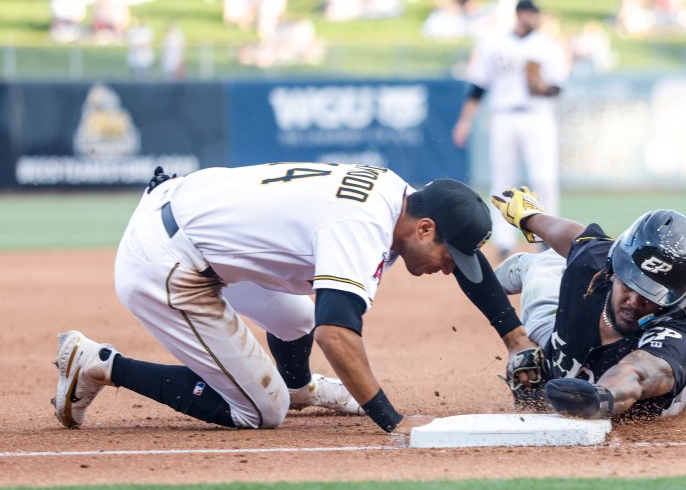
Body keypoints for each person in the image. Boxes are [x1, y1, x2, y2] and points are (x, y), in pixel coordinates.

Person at [52, 163, 537, 435]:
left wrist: (515, 338)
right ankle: (98, 364)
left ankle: (299, 384)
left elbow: (470, 268)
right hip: (165, 262)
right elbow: (336, 333)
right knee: (262, 411)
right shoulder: (361, 227)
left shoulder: (403, 197)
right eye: (447, 255)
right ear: (425, 229)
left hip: (190, 210)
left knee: (300, 314)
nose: (449, 267)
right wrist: (394, 421)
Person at [489, 187, 686, 420]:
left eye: (651, 294)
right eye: (629, 283)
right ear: (614, 266)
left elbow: (636, 375)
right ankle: (530, 265)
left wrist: (601, 397)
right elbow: (574, 236)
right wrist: (529, 217)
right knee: (541, 271)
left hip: (648, 396)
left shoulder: (674, 337)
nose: (635, 301)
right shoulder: (598, 262)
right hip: (557, 334)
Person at [452, 0, 569, 260]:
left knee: (543, 179)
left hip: (537, 116)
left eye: (534, 13)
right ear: (519, 15)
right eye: (527, 13)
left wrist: (542, 86)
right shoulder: (494, 43)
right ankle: (504, 241)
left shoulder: (547, 46)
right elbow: (478, 85)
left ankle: (546, 238)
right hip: (503, 115)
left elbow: (557, 86)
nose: (531, 17)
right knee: (503, 179)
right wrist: (465, 121)